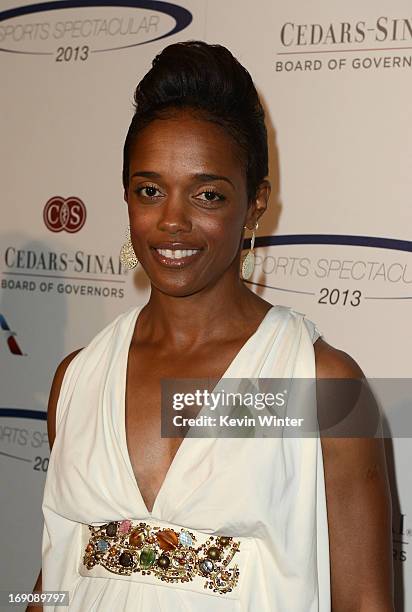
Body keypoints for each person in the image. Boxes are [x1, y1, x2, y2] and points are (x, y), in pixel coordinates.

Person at [28, 41, 394, 611]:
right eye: (150, 190)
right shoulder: (76, 380)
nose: (172, 221)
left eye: (207, 195)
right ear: (126, 197)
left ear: (254, 206)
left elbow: (366, 602)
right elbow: (53, 579)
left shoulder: (319, 387)